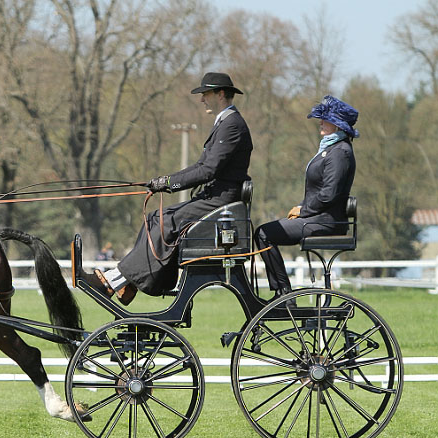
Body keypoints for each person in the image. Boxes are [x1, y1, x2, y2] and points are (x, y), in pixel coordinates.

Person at [81, 71, 253, 305]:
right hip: (213, 197)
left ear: (221, 94)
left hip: (219, 201)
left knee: (163, 221)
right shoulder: (226, 123)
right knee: (155, 218)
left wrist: (169, 184)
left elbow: (208, 170)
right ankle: (127, 284)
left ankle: (113, 281)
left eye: (206, 94)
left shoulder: (232, 125)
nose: (202, 99)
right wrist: (164, 181)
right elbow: (201, 166)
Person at [255, 95, 358, 298]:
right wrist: (301, 207)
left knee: (264, 234)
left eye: (325, 119)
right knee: (264, 232)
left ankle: (283, 294)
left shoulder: (340, 153)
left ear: (337, 125)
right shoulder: (332, 149)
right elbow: (317, 191)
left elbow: (328, 194)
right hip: (317, 217)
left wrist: (303, 210)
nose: (320, 122)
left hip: (326, 221)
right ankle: (282, 292)